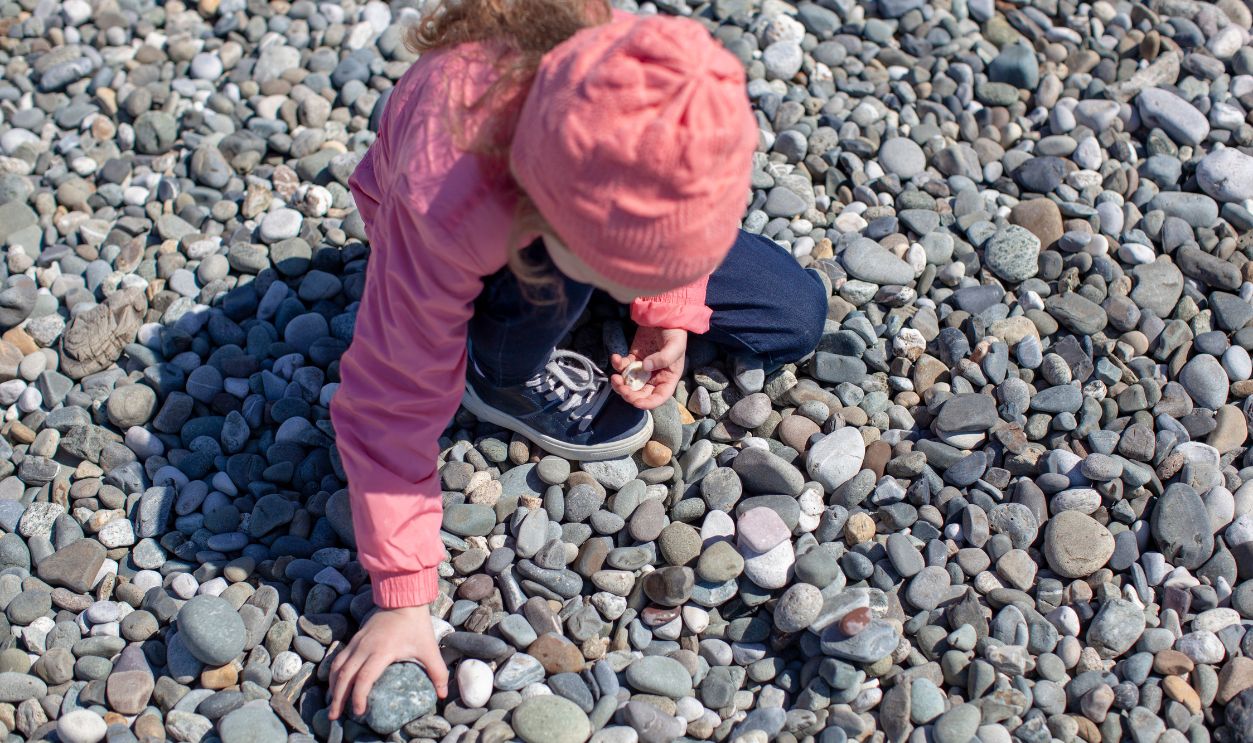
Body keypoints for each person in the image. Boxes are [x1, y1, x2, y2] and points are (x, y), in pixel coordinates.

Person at [325, 0, 829, 721]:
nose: (637, 294)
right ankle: (495, 372)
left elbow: (668, 196)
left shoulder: (643, 83)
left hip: (576, 213)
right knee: (546, 281)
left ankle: (599, 275)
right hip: (490, 225)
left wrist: (669, 309)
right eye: (628, 279)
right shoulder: (444, 199)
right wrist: (402, 595)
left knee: (792, 315)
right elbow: (389, 397)